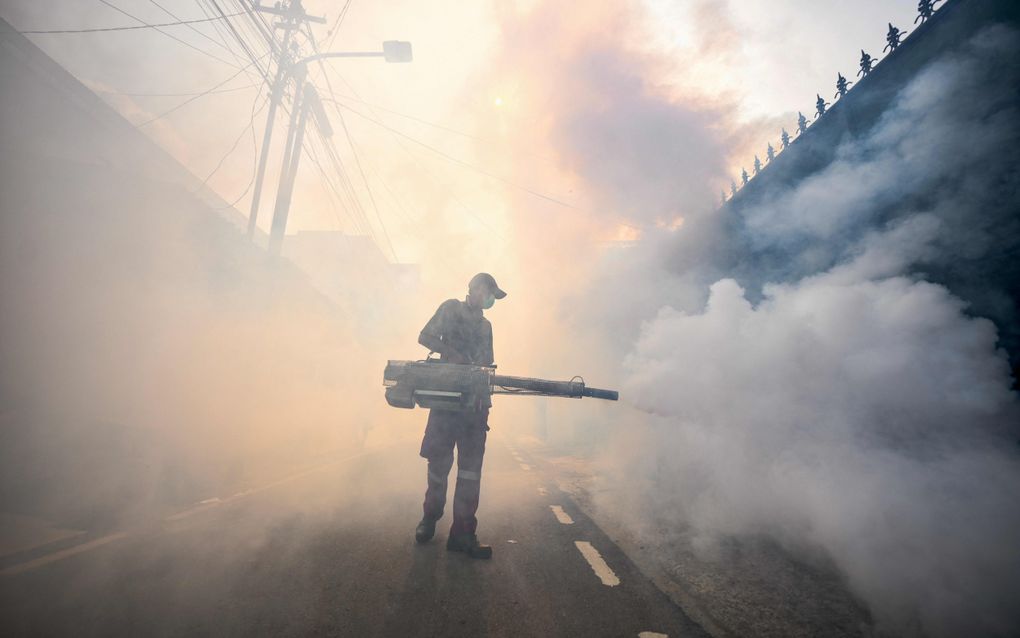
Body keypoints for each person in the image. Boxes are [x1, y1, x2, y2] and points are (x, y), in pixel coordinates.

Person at [413, 272, 507, 559]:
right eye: (489, 293)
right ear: (475, 289)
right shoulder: (450, 308)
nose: (491, 300)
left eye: (493, 296)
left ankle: (463, 534)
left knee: (469, 472)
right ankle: (430, 517)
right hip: (446, 402)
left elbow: (487, 361)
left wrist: (483, 375)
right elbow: (424, 336)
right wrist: (451, 353)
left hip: (475, 406)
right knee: (438, 466)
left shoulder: (486, 325)